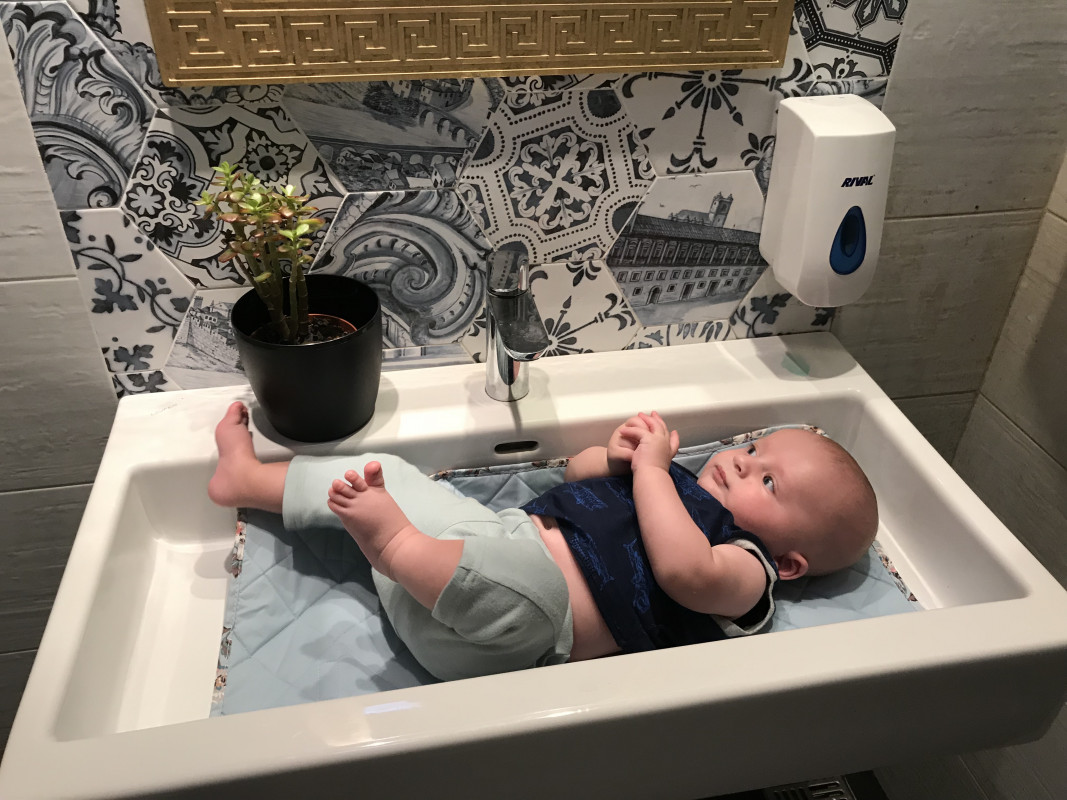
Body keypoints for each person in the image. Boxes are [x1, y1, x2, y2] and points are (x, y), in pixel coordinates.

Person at [209, 402, 878, 681]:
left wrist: (649, 475)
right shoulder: (669, 479)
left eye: (768, 481)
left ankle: (392, 548)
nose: (738, 460)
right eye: (754, 448)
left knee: (524, 586)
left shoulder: (747, 569)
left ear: (792, 562)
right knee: (401, 479)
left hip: (508, 630)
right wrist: (613, 460)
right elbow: (573, 476)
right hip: (484, 547)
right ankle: (250, 480)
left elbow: (682, 573)